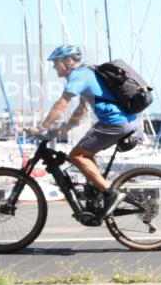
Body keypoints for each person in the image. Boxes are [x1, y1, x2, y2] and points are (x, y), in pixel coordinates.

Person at [30, 44, 139, 219]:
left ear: (68, 61)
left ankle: (110, 194)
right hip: (122, 121)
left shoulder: (78, 75)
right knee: (85, 154)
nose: (53, 66)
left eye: (56, 63)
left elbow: (62, 103)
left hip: (114, 122)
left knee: (77, 156)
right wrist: (60, 131)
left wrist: (42, 127)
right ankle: (98, 193)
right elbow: (80, 112)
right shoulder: (87, 73)